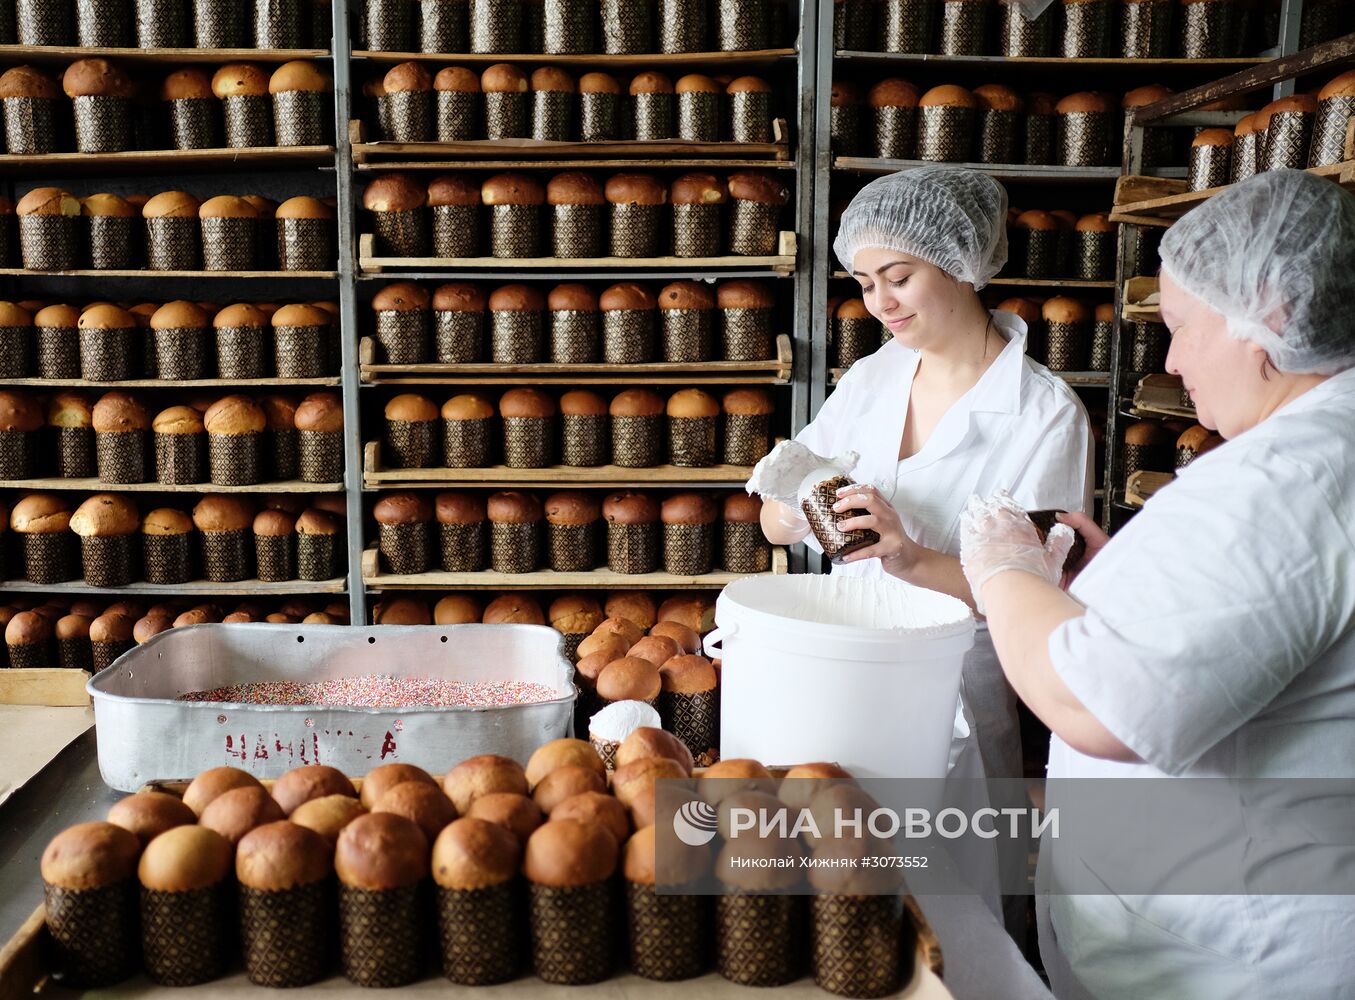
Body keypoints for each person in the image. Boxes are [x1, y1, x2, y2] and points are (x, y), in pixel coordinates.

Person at [959, 168, 1355, 996]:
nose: (1170, 359)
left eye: (1178, 325)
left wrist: (1001, 567)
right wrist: (1112, 592)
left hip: (1231, 952)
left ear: (1270, 310)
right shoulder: (1320, 452)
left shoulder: (1283, 480)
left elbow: (1099, 709)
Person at [758, 164, 1093, 934]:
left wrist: (906, 554)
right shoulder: (875, 376)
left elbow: (1042, 593)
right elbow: (779, 503)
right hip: (844, 668)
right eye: (863, 281)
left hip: (960, 689)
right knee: (836, 897)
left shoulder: (1043, 413)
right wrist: (804, 516)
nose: (878, 302)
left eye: (897, 276)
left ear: (961, 262)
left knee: (955, 914)